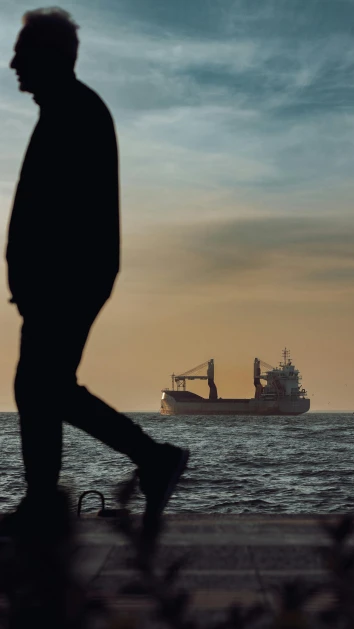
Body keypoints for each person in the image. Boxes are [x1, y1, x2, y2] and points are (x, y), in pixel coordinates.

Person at [4, 8, 188, 555]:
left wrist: (41, 276)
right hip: (59, 279)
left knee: (43, 385)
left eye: (22, 51)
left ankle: (151, 460)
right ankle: (60, 493)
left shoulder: (74, 111)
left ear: (51, 56)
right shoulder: (65, 109)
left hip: (66, 278)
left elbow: (63, 212)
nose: (12, 62)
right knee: (41, 386)